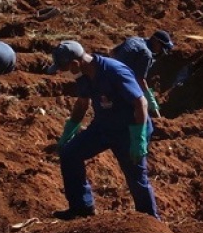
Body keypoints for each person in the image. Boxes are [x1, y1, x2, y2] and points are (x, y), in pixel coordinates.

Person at [47, 41, 158, 220]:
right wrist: (69, 131)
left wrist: (139, 138)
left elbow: (141, 102)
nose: (62, 73)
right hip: (103, 127)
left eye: (63, 68)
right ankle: (81, 207)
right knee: (69, 154)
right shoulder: (83, 75)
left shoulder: (114, 71)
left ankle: (151, 221)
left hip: (129, 130)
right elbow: (82, 103)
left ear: (75, 64)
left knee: (136, 178)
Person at [110, 30, 174, 117]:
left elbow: (112, 52)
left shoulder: (133, 39)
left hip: (108, 75)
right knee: (137, 107)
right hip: (118, 85)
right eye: (161, 47)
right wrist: (153, 105)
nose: (160, 51)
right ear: (155, 41)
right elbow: (140, 80)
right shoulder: (146, 54)